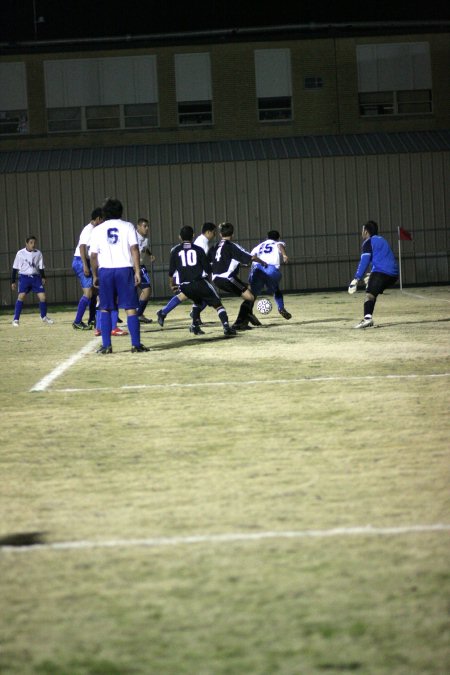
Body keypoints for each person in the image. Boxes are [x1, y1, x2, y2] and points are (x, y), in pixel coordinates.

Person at [89, 198, 149, 353]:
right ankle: (136, 345)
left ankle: (106, 346)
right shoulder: (128, 226)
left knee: (105, 308)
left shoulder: (97, 230)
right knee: (130, 308)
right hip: (124, 270)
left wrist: (95, 275)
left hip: (106, 271)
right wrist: (137, 271)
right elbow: (134, 249)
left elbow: (93, 256)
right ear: (120, 211)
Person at [156, 225, 236, 337]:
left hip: (184, 284)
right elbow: (207, 268)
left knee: (197, 301)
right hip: (198, 281)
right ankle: (227, 327)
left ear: (180, 237)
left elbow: (171, 270)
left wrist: (171, 283)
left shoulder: (175, 250)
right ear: (193, 235)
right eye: (213, 232)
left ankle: (194, 325)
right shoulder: (199, 248)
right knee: (217, 303)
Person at [209, 222, 268, 330]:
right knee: (250, 297)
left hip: (216, 279)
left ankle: (247, 316)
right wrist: (263, 263)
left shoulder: (214, 247)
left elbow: (208, 262)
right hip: (227, 278)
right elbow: (251, 258)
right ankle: (240, 322)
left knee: (250, 289)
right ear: (232, 235)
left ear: (220, 234)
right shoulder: (232, 247)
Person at [348, 220, 399, 328]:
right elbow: (384, 259)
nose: (361, 233)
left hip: (382, 272)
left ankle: (367, 319)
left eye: (362, 230)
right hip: (394, 275)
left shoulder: (368, 242)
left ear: (366, 232)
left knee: (369, 295)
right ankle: (368, 317)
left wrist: (356, 278)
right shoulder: (382, 240)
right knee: (372, 290)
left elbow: (364, 260)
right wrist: (372, 274)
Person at [11, 235, 54, 326]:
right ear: (26, 243)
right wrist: (13, 281)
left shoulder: (38, 253)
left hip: (36, 278)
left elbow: (41, 267)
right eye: (31, 243)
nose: (33, 244)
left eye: (34, 243)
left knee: (43, 297)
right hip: (24, 278)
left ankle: (44, 317)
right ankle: (16, 319)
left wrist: (43, 277)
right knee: (21, 297)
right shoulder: (20, 253)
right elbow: (15, 268)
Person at [249, 230, 292, 320]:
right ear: (278, 238)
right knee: (276, 290)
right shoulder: (278, 243)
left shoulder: (259, 246)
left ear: (267, 238)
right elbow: (280, 246)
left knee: (252, 294)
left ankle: (248, 312)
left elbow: (252, 256)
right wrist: (284, 255)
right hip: (271, 269)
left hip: (258, 268)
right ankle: (281, 308)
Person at [72, 207, 103, 330]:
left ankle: (92, 319)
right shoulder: (88, 229)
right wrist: (85, 265)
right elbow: (82, 247)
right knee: (89, 293)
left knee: (95, 291)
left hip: (86, 261)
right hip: (80, 261)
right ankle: (77, 321)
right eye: (102, 219)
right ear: (98, 219)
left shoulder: (95, 230)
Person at [191, 222, 217, 324]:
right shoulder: (202, 243)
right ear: (208, 232)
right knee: (209, 296)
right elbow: (202, 260)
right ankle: (163, 312)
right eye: (214, 232)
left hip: (198, 274)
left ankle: (196, 316)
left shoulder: (201, 240)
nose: (215, 234)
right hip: (199, 274)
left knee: (202, 297)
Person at [135, 217, 155, 324]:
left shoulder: (145, 239)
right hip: (133, 267)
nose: (147, 228)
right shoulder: (133, 238)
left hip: (140, 266)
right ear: (138, 227)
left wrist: (150, 255)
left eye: (147, 226)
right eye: (144, 226)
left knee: (147, 289)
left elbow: (145, 248)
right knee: (146, 290)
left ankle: (139, 314)